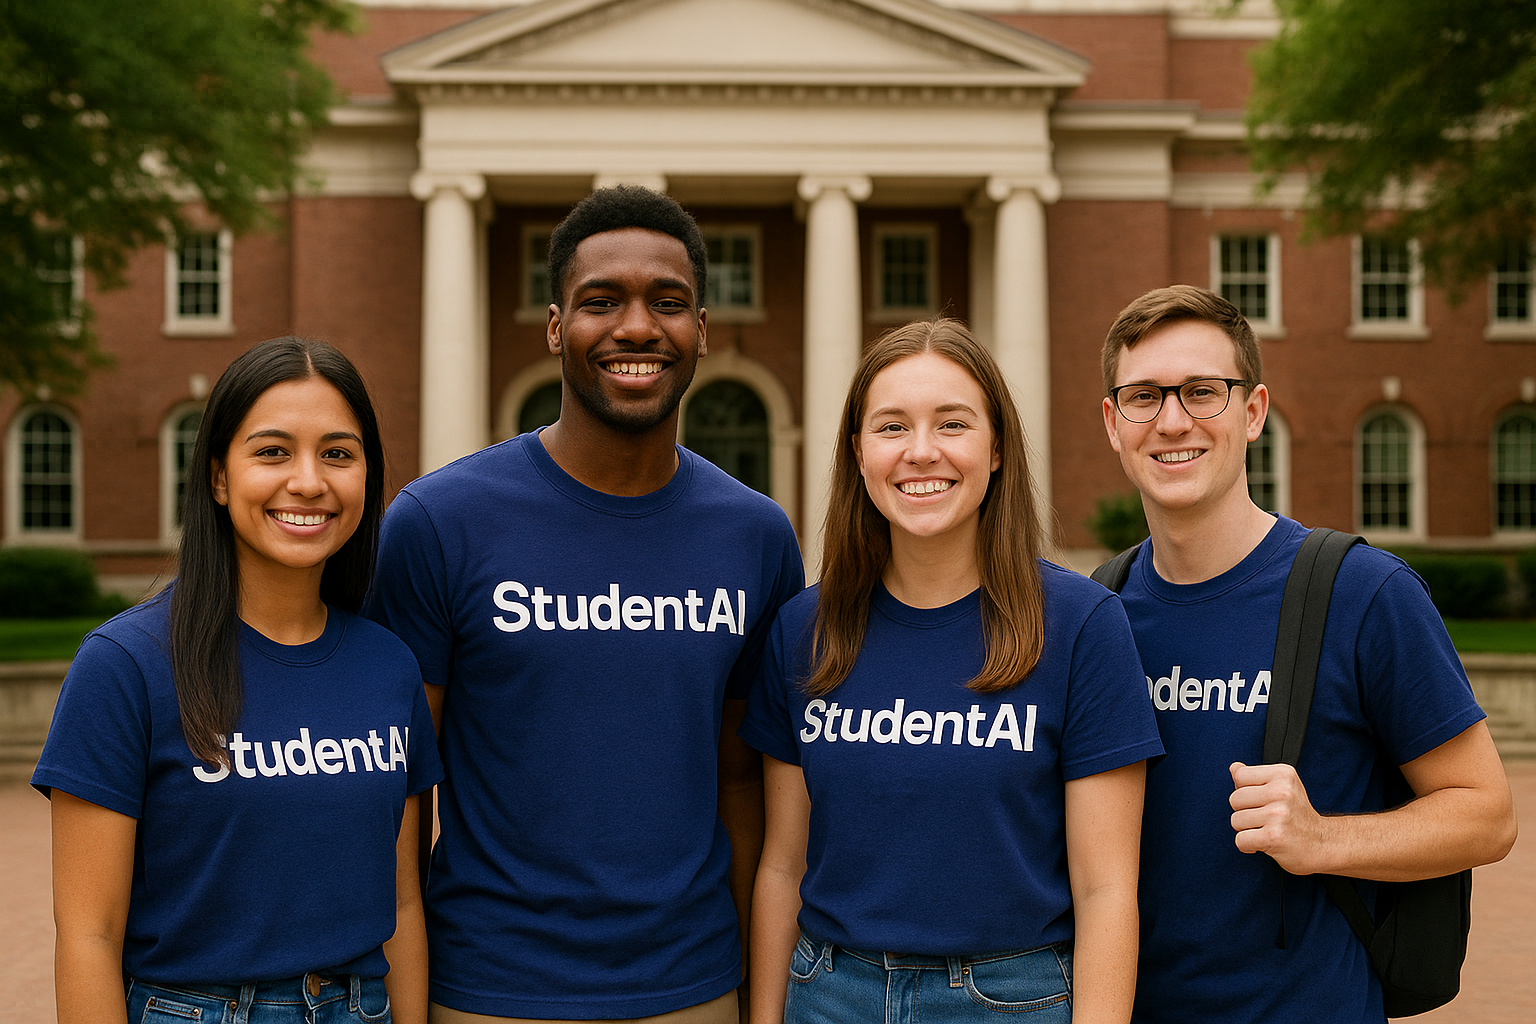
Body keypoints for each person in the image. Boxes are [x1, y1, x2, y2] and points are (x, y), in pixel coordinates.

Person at [364, 185, 804, 1024]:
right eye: (601, 301)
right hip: (489, 988)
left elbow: (743, 781)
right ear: (557, 326)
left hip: (693, 987)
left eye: (667, 303)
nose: (637, 327)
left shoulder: (754, 537)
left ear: (701, 331)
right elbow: (398, 793)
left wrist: (754, 994)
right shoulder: (438, 522)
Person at [1097, 285, 1518, 1023]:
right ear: (1112, 422)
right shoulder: (1100, 609)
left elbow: (1487, 816)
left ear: (1253, 411)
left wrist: (1323, 836)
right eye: (1143, 396)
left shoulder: (1363, 594)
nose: (1172, 421)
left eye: (1203, 392)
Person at [741, 318, 1163, 1024]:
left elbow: (1107, 891)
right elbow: (783, 866)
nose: (921, 452)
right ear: (858, 452)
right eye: (892, 427)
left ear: (996, 449)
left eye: (953, 424)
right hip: (827, 994)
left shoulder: (1083, 626)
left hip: (1012, 999)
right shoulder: (803, 629)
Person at [33, 337, 443, 1024]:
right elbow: (87, 935)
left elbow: (400, 904)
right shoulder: (125, 665)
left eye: (338, 454)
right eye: (273, 451)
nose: (309, 482)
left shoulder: (390, 666)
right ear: (219, 477)